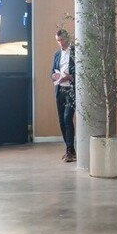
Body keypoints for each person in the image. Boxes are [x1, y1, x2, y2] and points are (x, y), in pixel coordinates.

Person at [51, 28, 76, 162]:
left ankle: (69, 151)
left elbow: (80, 71)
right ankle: (70, 149)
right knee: (62, 121)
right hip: (60, 90)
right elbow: (52, 72)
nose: (60, 43)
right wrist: (54, 76)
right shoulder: (57, 54)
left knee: (67, 119)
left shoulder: (75, 52)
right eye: (58, 40)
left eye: (62, 40)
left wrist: (70, 77)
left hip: (71, 90)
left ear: (67, 38)